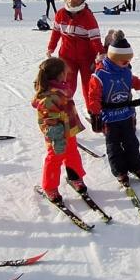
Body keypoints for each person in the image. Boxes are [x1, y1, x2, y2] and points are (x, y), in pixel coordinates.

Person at [86, 30, 140, 187]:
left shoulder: (125, 71)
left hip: (126, 116)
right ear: (113, 58)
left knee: (132, 143)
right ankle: (120, 171)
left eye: (129, 59)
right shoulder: (100, 75)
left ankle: (136, 167)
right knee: (114, 147)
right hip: (110, 119)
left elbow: (133, 82)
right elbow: (93, 97)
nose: (127, 62)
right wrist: (96, 115)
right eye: (124, 60)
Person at [33, 57, 88, 201]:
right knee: (55, 158)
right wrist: (56, 135)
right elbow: (46, 119)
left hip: (69, 129)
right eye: (65, 72)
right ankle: (49, 187)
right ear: (59, 74)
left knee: (72, 154)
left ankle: (75, 178)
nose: (67, 74)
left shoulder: (62, 88)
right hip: (56, 135)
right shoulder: (49, 96)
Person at [46, 0, 105, 103]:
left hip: (87, 58)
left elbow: (95, 39)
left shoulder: (88, 16)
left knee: (89, 86)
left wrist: (101, 53)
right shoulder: (60, 14)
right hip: (67, 57)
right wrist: (51, 47)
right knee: (67, 86)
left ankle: (93, 113)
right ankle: (65, 111)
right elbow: (56, 33)